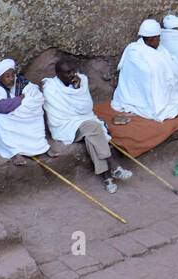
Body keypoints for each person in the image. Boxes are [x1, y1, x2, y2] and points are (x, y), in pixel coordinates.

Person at [42, 58, 132, 193]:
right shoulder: (50, 87)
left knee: (92, 136)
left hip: (84, 120)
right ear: (58, 74)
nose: (72, 74)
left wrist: (78, 90)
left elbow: (86, 108)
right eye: (67, 73)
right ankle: (114, 165)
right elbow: (59, 114)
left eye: (73, 71)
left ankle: (107, 178)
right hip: (65, 125)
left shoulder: (82, 80)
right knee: (94, 127)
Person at [113, 19, 178, 121]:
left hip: (163, 89)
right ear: (151, 40)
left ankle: (164, 100)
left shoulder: (159, 48)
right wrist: (163, 69)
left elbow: (171, 62)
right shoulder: (134, 51)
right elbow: (147, 72)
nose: (160, 41)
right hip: (139, 93)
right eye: (158, 38)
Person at [0, 58, 49, 163]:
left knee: (35, 113)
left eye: (13, 75)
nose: (11, 79)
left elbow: (35, 94)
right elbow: (2, 107)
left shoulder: (19, 81)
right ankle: (13, 152)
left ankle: (41, 146)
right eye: (7, 76)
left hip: (16, 116)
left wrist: (22, 104)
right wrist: (20, 99)